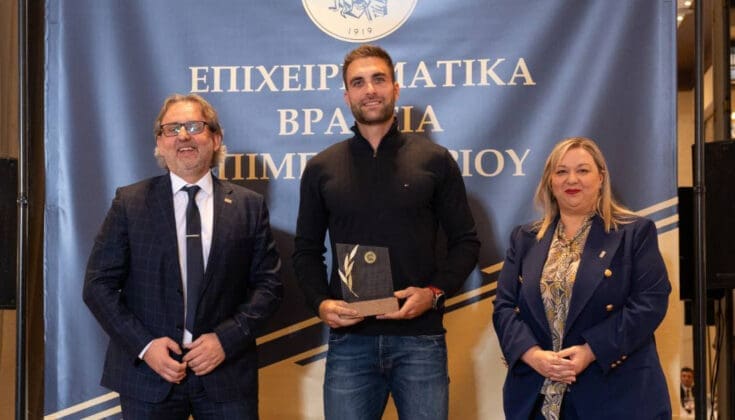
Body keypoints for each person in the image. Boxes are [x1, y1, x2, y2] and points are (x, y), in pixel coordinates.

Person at [293, 44, 480, 420]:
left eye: (378, 79)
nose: (370, 90)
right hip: (350, 344)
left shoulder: (434, 160)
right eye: (358, 83)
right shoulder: (322, 167)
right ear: (347, 96)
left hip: (420, 341)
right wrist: (321, 304)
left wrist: (433, 293)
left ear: (395, 88)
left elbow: (466, 242)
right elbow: (306, 251)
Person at [83, 93, 283, 419]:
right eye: (172, 129)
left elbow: (269, 287)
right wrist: (145, 346)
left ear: (215, 138)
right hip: (149, 376)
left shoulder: (248, 206)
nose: (183, 136)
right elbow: (97, 286)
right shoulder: (130, 203)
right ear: (160, 143)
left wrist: (225, 340)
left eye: (194, 126)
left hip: (226, 374)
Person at [492, 137, 671, 419]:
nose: (571, 179)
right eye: (561, 171)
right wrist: (532, 354)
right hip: (537, 396)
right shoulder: (524, 238)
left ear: (601, 178)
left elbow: (650, 303)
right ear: (550, 181)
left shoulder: (634, 233)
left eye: (583, 170)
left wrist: (591, 350)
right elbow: (504, 306)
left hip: (615, 393)